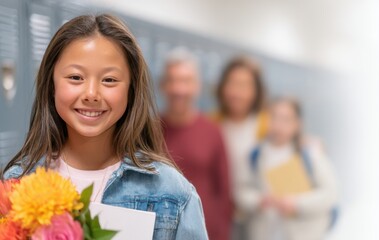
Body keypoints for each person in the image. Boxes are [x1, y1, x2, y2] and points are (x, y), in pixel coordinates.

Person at [1, 14, 208, 240]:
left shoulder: (172, 192)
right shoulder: (17, 184)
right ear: (52, 84)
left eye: (109, 80)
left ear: (131, 90)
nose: (91, 94)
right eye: (75, 77)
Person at [239, 97, 338, 240]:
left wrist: (297, 204)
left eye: (286, 119)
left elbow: (330, 193)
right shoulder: (255, 155)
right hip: (264, 232)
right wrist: (258, 201)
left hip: (303, 233)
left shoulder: (310, 154)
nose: (279, 125)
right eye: (274, 117)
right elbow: (241, 190)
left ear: (298, 124)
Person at [160, 48, 232, 240]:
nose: (178, 89)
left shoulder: (212, 132)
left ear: (197, 86)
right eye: (172, 80)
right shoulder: (147, 130)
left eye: (185, 81)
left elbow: (224, 193)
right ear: (162, 85)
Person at [213, 56, 268, 239]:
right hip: (221, 215)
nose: (237, 92)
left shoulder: (268, 126)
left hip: (260, 216)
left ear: (256, 91)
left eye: (245, 86)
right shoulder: (212, 124)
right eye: (232, 84)